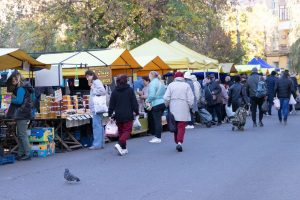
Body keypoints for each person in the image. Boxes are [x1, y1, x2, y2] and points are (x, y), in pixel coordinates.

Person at [108, 75, 139, 156]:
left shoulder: (114, 91)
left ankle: (124, 149)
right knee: (127, 131)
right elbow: (134, 103)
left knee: (121, 132)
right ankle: (119, 144)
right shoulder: (130, 90)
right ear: (126, 81)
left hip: (118, 115)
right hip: (128, 114)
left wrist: (110, 115)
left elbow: (111, 105)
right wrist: (137, 111)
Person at [163, 72, 194, 152]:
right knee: (181, 126)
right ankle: (179, 142)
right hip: (183, 107)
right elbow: (191, 98)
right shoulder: (186, 85)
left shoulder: (171, 85)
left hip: (173, 107)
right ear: (182, 77)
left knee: (175, 125)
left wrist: (167, 105)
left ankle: (177, 141)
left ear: (175, 77)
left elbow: (166, 98)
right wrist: (190, 106)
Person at [6, 72, 34, 161]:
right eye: (12, 79)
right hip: (23, 114)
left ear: (18, 79)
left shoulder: (20, 88)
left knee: (22, 134)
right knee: (20, 134)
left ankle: (27, 153)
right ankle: (21, 153)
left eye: (14, 79)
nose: (13, 81)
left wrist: (9, 99)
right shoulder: (23, 88)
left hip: (22, 114)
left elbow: (19, 101)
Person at [85, 70, 106, 150]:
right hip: (97, 107)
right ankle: (101, 143)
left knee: (96, 125)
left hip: (96, 107)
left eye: (87, 77)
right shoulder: (96, 81)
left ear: (91, 75)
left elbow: (103, 91)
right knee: (99, 125)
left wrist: (93, 89)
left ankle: (97, 144)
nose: (87, 79)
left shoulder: (96, 82)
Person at [146, 71, 166, 143]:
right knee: (159, 121)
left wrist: (147, 100)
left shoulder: (152, 83)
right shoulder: (161, 82)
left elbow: (152, 95)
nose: (148, 77)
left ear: (151, 76)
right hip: (162, 102)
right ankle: (158, 136)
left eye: (149, 75)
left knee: (157, 121)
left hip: (156, 103)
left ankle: (158, 137)